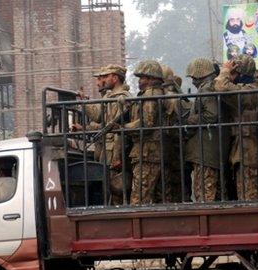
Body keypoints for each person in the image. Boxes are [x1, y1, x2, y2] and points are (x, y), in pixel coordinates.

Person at [72, 64, 132, 205]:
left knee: (116, 189)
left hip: (114, 151)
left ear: (115, 78)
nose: (103, 80)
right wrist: (83, 102)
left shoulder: (121, 98)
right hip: (107, 149)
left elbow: (119, 130)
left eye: (106, 76)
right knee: (108, 189)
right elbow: (99, 117)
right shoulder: (110, 96)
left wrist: (119, 156)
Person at [214, 54, 258, 200]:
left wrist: (225, 71)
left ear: (242, 75)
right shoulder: (253, 87)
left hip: (247, 149)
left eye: (234, 73)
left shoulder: (247, 91)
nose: (231, 76)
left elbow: (221, 87)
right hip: (244, 146)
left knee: (248, 193)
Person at [124, 60, 165, 205]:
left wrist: (124, 127)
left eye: (143, 78)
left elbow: (147, 123)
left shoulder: (151, 94)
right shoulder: (147, 94)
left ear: (152, 79)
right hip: (146, 151)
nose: (140, 81)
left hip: (148, 152)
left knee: (139, 197)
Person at [185, 58, 223, 202]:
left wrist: (190, 120)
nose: (193, 81)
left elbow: (211, 115)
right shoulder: (210, 87)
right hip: (206, 148)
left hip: (206, 150)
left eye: (194, 77)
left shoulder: (207, 88)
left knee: (204, 193)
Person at [159, 64, 191, 202]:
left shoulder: (170, 97)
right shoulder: (177, 97)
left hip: (174, 147)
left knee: (174, 185)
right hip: (177, 146)